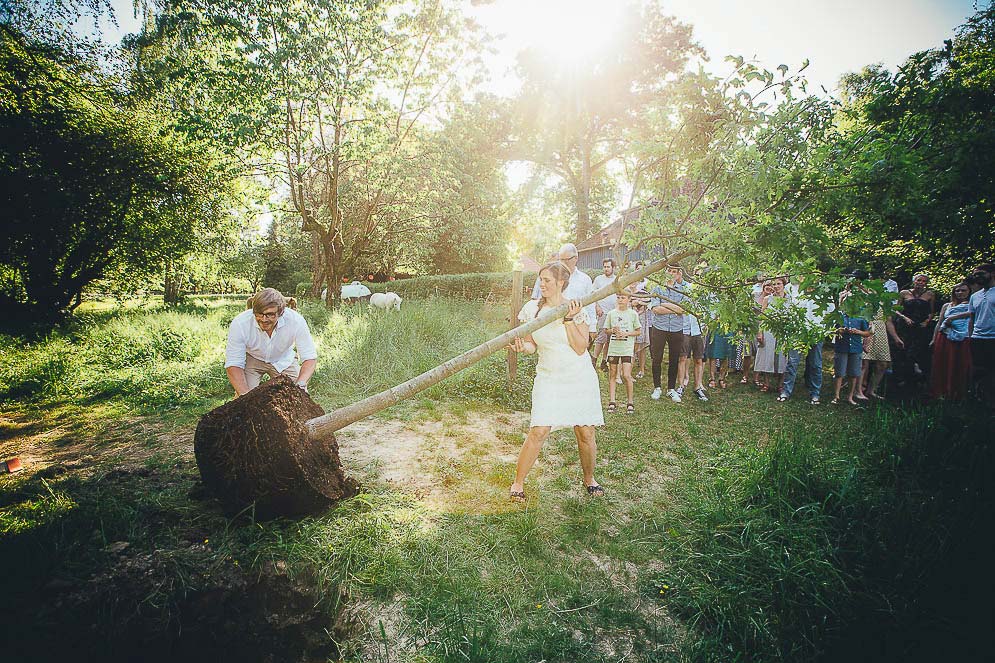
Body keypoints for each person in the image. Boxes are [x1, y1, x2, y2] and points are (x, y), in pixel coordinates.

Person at [507, 261, 605, 501]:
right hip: (549, 377)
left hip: (578, 377)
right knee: (538, 430)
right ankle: (518, 482)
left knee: (585, 432)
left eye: (547, 280)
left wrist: (569, 320)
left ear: (561, 282)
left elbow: (581, 348)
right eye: (541, 279)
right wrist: (523, 348)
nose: (542, 284)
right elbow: (531, 344)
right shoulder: (532, 309)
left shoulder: (575, 308)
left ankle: (589, 479)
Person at [225, 287, 317, 397]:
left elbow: (309, 357)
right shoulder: (240, 323)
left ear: (281, 312)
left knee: (298, 397)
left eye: (270, 314)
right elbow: (234, 363)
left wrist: (301, 384)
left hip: (283, 359)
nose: (264, 319)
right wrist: (244, 396)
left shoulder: (296, 321)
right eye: (259, 314)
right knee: (243, 400)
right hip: (253, 358)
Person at [779, 275, 830, 404]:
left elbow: (830, 312)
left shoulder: (823, 291)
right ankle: (786, 391)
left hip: (816, 332)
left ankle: (815, 393)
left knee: (815, 364)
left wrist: (823, 330)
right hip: (797, 331)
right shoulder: (791, 288)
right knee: (792, 362)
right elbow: (786, 306)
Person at [649, 264, 688, 402]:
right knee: (657, 358)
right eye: (669, 271)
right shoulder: (658, 288)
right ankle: (657, 387)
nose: (671, 273)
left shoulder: (683, 290)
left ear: (678, 274)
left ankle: (671, 389)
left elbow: (683, 309)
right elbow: (655, 309)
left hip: (676, 329)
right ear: (665, 272)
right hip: (659, 327)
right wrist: (674, 309)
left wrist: (665, 304)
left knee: (674, 359)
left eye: (674, 271)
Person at [929, 282, 973, 400]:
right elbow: (940, 322)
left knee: (959, 364)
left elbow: (973, 315)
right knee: (943, 363)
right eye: (957, 291)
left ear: (969, 292)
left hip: (963, 337)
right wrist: (934, 339)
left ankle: (957, 393)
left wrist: (954, 318)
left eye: (963, 290)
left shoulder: (972, 304)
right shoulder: (947, 306)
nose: (960, 293)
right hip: (945, 336)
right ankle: (941, 392)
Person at [893, 273, 937, 384]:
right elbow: (896, 309)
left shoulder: (930, 294)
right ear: (914, 281)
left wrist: (927, 321)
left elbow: (931, 312)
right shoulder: (904, 293)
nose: (921, 283)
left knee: (916, 351)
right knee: (903, 350)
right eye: (919, 280)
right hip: (905, 325)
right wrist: (904, 318)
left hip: (920, 326)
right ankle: (899, 378)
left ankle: (914, 378)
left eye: (923, 281)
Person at [605, 288, 640, 414]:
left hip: (626, 348)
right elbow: (606, 330)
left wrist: (626, 333)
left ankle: (630, 402)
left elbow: (638, 330)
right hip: (614, 348)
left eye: (623, 298)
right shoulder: (611, 313)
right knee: (613, 374)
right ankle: (612, 401)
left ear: (629, 300)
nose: (620, 300)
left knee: (626, 375)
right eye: (618, 297)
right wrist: (612, 330)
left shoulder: (632, 314)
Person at [832, 296, 872, 405]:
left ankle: (850, 397)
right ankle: (836, 396)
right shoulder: (839, 316)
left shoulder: (861, 318)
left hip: (855, 348)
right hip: (841, 347)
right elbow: (833, 330)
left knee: (853, 373)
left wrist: (858, 332)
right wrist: (841, 330)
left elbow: (868, 333)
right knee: (839, 372)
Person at [968, 264, 995, 408]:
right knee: (979, 370)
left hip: (993, 338)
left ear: (992, 273)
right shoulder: (975, 296)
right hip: (978, 338)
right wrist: (970, 336)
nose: (977, 277)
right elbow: (972, 318)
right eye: (975, 274)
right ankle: (981, 401)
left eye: (981, 274)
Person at [591, 258, 619, 370]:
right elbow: (593, 294)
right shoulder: (598, 279)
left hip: (613, 313)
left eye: (608, 267)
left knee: (609, 339)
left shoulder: (617, 280)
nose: (606, 269)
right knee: (601, 338)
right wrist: (597, 306)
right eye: (605, 267)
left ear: (613, 267)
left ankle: (604, 361)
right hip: (603, 312)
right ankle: (594, 359)